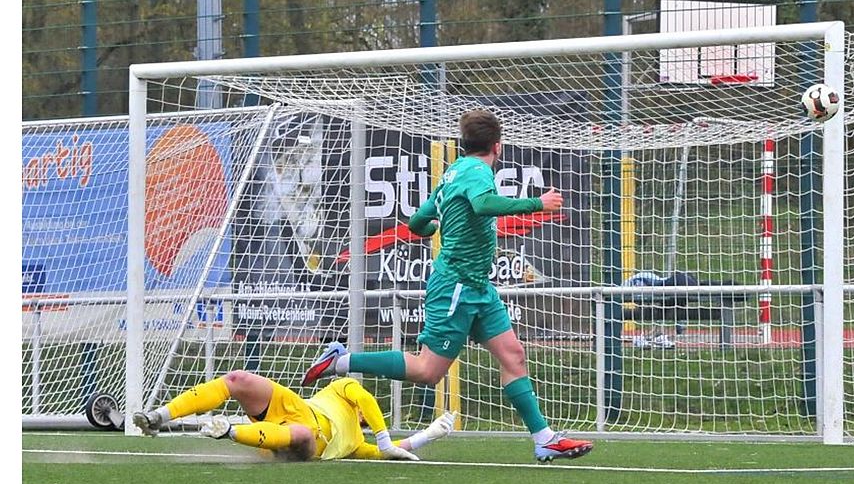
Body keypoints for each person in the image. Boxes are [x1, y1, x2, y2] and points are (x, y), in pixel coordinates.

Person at [302, 108, 593, 463]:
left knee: (513, 355)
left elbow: (421, 219)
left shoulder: (454, 171)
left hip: (478, 287)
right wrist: (538, 203)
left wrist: (429, 228)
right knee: (428, 371)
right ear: (497, 147)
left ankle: (544, 439)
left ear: (464, 142)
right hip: (455, 285)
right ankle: (342, 360)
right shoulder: (475, 171)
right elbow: (484, 204)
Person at [132, 371, 454, 462]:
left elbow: (391, 452)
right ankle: (160, 415)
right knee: (237, 380)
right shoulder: (343, 389)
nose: (368, 417)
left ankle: (228, 430)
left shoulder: (356, 445)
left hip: (298, 440)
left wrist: (429, 434)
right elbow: (365, 398)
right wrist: (384, 441)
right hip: (295, 408)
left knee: (302, 436)